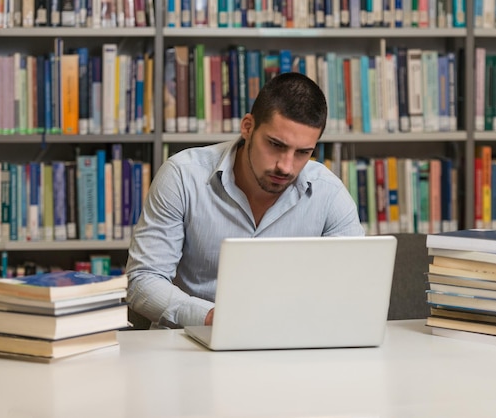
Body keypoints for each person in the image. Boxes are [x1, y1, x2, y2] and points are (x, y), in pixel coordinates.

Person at [126, 72, 364, 328]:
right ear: (248, 127)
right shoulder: (183, 176)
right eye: (275, 145)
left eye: (302, 153)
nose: (285, 167)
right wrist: (211, 319)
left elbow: (356, 289)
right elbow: (143, 280)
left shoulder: (329, 193)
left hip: (291, 348)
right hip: (189, 345)